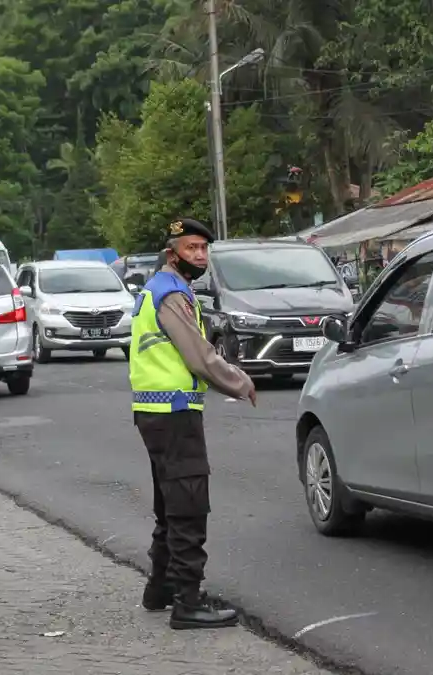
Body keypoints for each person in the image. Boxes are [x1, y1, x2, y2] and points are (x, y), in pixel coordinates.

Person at [129, 218, 258, 630]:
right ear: (173, 253)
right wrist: (239, 381)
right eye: (192, 248)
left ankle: (161, 589)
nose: (200, 256)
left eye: (204, 249)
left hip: (158, 412)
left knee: (170, 505)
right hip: (174, 413)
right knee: (188, 506)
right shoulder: (170, 295)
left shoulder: (164, 290)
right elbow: (198, 356)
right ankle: (188, 601)